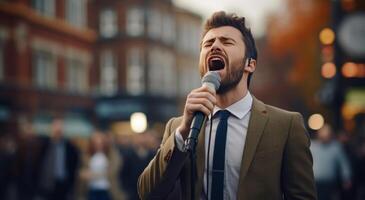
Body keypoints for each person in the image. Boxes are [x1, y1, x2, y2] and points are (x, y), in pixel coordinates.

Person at [138, 11, 317, 200]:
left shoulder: (286, 125)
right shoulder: (177, 128)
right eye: (208, 43)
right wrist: (183, 132)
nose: (215, 46)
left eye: (226, 42)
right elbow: (148, 193)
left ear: (250, 64)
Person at [37, 118, 80, 200]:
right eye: (56, 127)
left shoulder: (70, 148)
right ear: (51, 128)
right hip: (47, 184)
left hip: (63, 184)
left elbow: (74, 166)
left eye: (60, 127)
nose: (58, 130)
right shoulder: (44, 145)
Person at [77, 131, 124, 200]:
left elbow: (112, 171)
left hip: (107, 188)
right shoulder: (86, 155)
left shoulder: (112, 155)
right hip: (91, 188)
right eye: (95, 143)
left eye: (100, 143)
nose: (98, 145)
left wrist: (92, 175)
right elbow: (81, 172)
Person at [310, 124, 352, 200]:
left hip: (330, 183)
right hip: (314, 183)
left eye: (327, 135)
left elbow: (344, 164)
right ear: (318, 134)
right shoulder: (312, 146)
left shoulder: (336, 147)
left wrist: (346, 178)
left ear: (330, 135)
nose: (325, 137)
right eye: (323, 134)